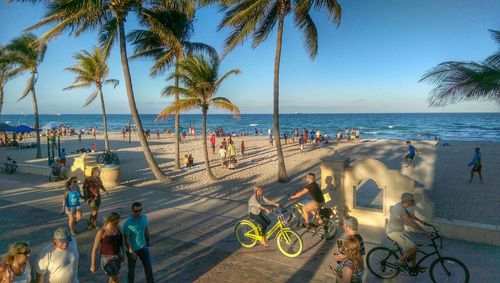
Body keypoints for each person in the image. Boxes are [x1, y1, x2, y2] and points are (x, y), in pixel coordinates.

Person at [386, 193, 429, 273]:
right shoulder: (399, 208)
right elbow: (410, 222)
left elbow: (410, 215)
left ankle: (414, 267)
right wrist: (423, 231)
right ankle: (399, 262)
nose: (413, 202)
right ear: (406, 201)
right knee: (414, 248)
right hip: (393, 232)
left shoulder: (402, 206)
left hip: (399, 231)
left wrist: (421, 222)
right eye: (412, 201)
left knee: (414, 247)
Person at [123, 202, 154, 283]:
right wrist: (130, 250)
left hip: (144, 247)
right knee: (131, 271)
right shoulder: (127, 223)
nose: (138, 213)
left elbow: (146, 229)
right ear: (132, 211)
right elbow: (126, 239)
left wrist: (149, 239)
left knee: (148, 267)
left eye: (140, 210)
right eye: (136, 211)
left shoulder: (144, 218)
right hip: (132, 250)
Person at [90, 212, 124, 283]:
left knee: (112, 277)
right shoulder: (102, 232)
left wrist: (123, 253)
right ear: (109, 221)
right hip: (106, 259)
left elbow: (121, 243)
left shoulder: (117, 229)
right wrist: (92, 265)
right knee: (115, 278)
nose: (117, 224)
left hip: (117, 257)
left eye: (118, 222)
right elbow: (94, 250)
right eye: (115, 222)